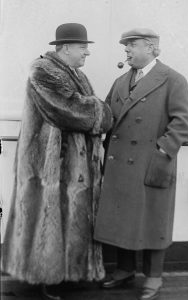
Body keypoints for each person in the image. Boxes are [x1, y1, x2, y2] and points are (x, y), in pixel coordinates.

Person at [2, 23, 112, 300]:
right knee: (47, 218)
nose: (87, 53)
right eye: (83, 47)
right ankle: (44, 277)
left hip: (68, 163)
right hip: (48, 164)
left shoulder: (75, 74)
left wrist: (94, 110)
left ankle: (63, 275)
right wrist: (103, 112)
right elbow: (73, 110)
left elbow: (82, 108)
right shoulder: (44, 72)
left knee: (66, 217)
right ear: (65, 48)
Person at [94, 28, 188, 300]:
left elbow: (184, 125)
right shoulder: (120, 81)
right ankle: (125, 270)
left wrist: (162, 152)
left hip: (151, 163)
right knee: (122, 218)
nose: (126, 50)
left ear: (150, 47)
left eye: (132, 45)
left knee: (153, 220)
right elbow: (106, 115)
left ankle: (154, 276)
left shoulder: (173, 80)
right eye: (125, 45)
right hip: (119, 166)